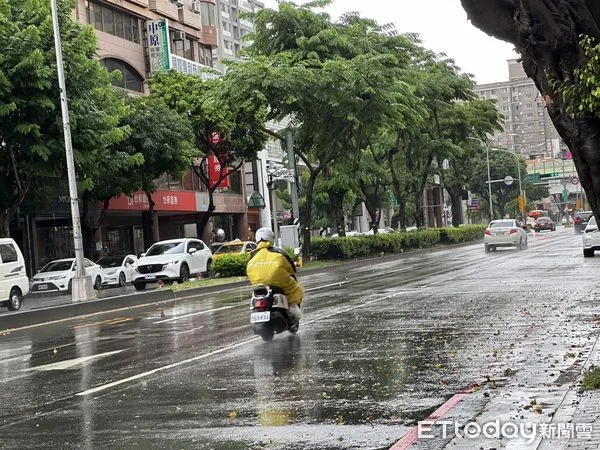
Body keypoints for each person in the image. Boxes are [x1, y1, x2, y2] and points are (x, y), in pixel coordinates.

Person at [246, 227, 303, 323]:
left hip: (258, 285)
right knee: (296, 289)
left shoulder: (252, 255)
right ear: (271, 238)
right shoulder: (279, 253)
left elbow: (248, 271)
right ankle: (294, 311)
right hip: (278, 283)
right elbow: (291, 269)